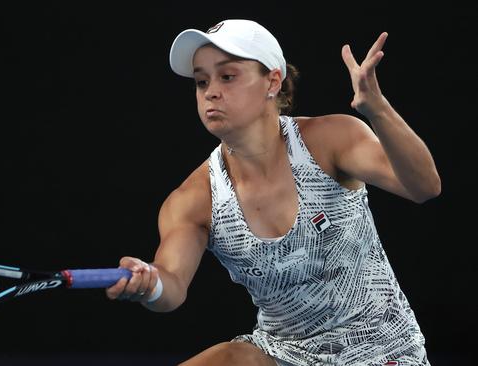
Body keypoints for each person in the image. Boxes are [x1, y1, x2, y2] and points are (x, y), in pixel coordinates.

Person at [105, 19, 440, 366]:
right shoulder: (194, 199)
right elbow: (171, 283)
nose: (210, 91)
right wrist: (149, 284)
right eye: (201, 81)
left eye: (227, 76)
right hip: (283, 353)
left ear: (273, 80)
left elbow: (424, 187)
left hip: (383, 351)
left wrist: (378, 110)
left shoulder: (330, 141)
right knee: (227, 359)